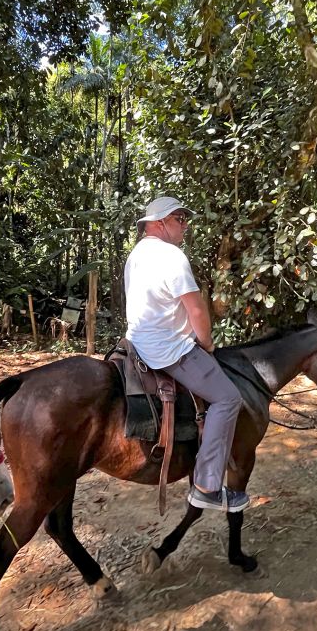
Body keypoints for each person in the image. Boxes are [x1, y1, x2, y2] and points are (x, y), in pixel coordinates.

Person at [124, 196, 248, 513]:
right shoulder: (171, 256)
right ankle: (206, 486)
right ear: (159, 222)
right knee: (227, 398)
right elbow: (196, 308)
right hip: (168, 348)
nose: (185, 224)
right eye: (180, 218)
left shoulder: (136, 255)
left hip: (136, 340)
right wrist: (205, 343)